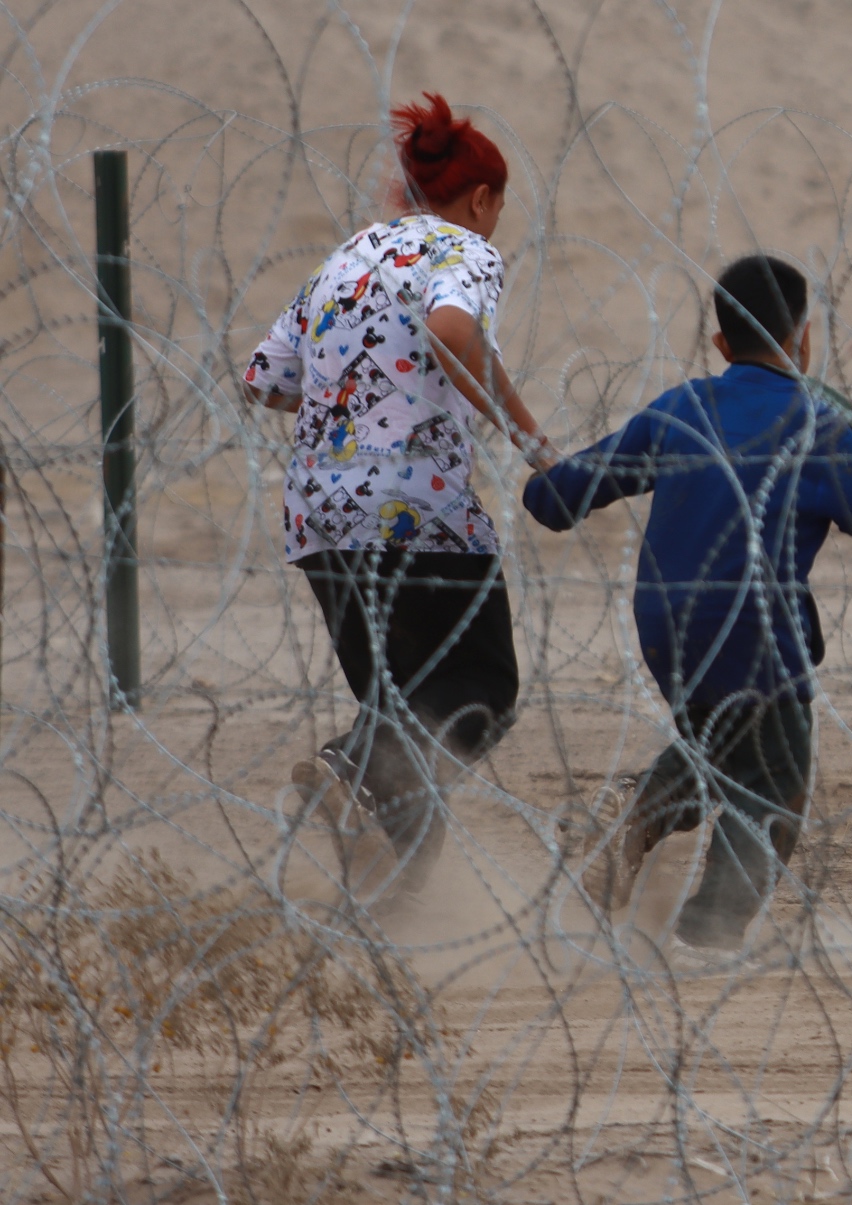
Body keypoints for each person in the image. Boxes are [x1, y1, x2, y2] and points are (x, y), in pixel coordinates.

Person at [523, 255, 852, 958]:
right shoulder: (815, 423)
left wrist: (546, 474)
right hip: (755, 627)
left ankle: (637, 810)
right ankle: (708, 929)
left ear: (722, 343)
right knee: (774, 784)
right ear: (804, 338)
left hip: (665, 625)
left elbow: (559, 500)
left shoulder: (682, 408)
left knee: (725, 746)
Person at [245, 93, 555, 908]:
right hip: (418, 510)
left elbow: (264, 379)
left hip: (320, 514)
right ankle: (349, 765)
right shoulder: (464, 249)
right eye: (498, 209)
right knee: (480, 690)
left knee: (405, 723)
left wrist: (350, 392)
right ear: (481, 198)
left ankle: (389, 916)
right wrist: (530, 438)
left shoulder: (347, 259)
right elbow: (454, 331)